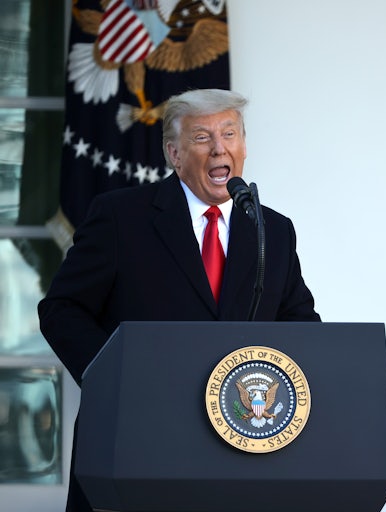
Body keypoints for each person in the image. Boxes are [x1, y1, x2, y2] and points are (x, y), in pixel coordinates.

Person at [38, 88, 321, 511]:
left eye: (229, 134)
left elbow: (300, 323)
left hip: (240, 448)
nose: (219, 148)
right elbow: (61, 310)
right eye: (202, 137)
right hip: (138, 441)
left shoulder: (272, 230)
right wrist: (119, 379)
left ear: (244, 147)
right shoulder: (120, 216)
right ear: (174, 153)